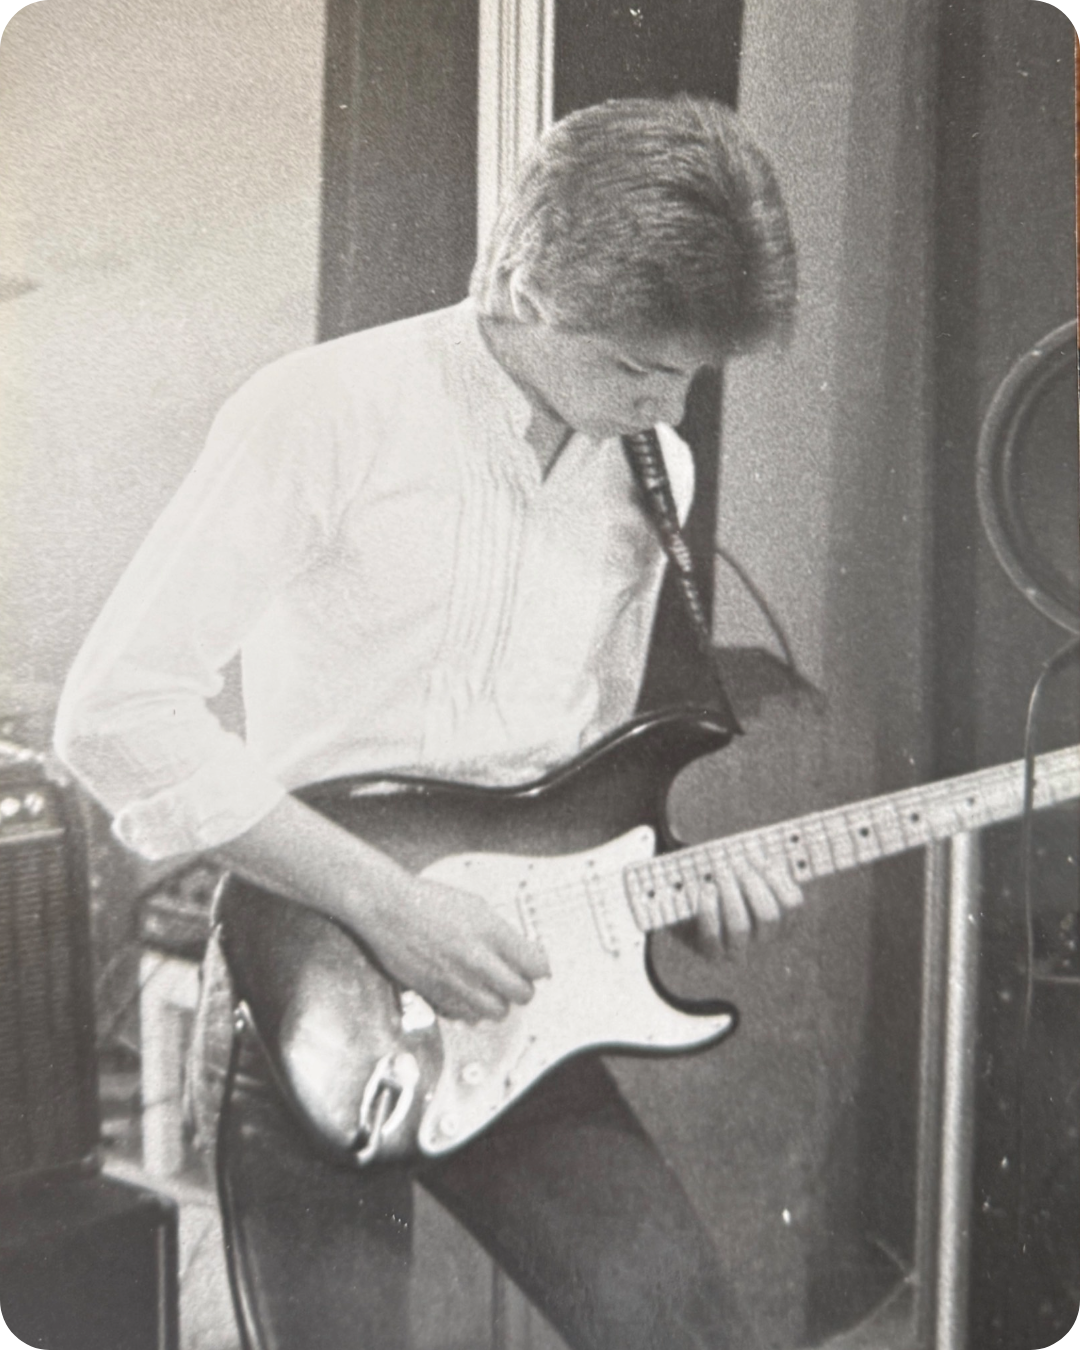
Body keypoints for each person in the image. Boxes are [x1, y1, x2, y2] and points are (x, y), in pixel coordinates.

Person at [55, 95, 799, 1350]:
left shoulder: (654, 468)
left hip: (512, 998)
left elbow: (580, 768)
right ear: (523, 284)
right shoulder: (323, 410)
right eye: (635, 366)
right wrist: (393, 909)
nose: (667, 407)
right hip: (311, 976)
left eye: (692, 374)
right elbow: (113, 713)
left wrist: (679, 883)